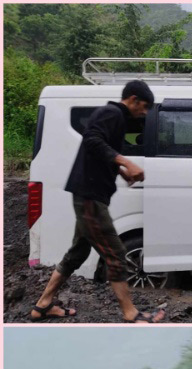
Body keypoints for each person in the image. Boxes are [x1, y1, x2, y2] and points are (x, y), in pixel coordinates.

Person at [29, 80, 165, 323]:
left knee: (77, 254)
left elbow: (100, 152)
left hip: (90, 195)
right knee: (116, 252)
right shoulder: (111, 113)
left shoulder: (117, 118)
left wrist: (120, 171)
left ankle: (43, 305)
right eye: (143, 107)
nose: (144, 113)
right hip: (90, 197)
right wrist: (126, 161)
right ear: (133, 99)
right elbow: (92, 139)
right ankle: (130, 313)